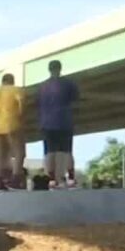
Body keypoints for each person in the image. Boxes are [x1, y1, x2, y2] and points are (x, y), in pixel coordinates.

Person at [38, 60, 80, 189]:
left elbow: (38, 103)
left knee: (50, 152)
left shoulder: (42, 87)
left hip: (46, 122)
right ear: (60, 68)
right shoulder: (67, 83)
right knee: (67, 150)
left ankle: (51, 180)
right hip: (64, 121)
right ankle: (71, 178)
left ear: (49, 69)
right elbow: (75, 97)